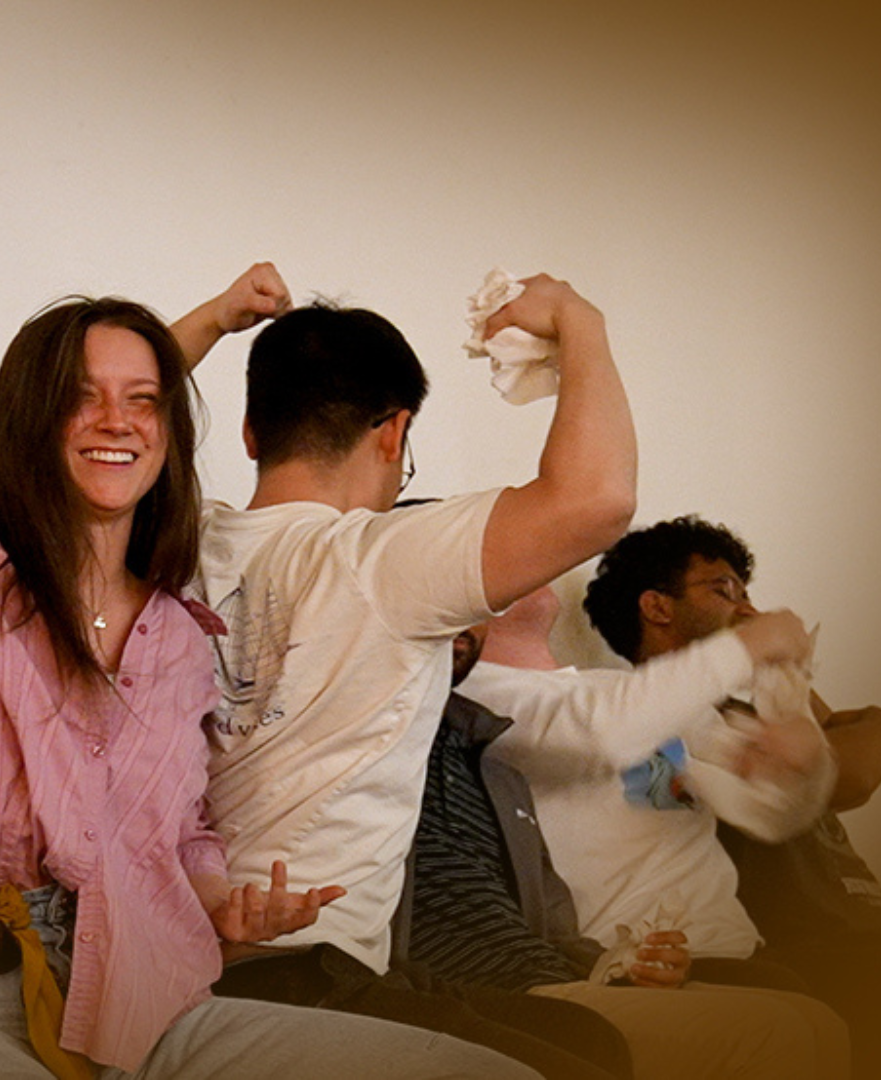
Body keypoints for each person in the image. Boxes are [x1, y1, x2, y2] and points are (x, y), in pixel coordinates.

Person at [0, 290, 543, 1079]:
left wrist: (221, 901)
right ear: (28, 416)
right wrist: (217, 316)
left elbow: (182, 830)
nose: (116, 420)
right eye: (79, 399)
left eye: (144, 401)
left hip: (144, 1005)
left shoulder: (179, 634)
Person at [184, 264, 638, 1078]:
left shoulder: (177, 542)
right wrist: (578, 318)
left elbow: (64, 437)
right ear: (392, 433)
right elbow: (597, 499)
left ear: (251, 433)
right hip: (297, 969)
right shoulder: (379, 557)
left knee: (590, 1043)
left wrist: (214, 321)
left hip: (227, 959)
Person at [402, 595, 853, 1080]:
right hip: (643, 954)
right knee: (788, 1023)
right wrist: (746, 647)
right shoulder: (480, 698)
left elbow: (774, 812)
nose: (544, 570)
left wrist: (796, 737)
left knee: (823, 1023)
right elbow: (600, 732)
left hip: (703, 948)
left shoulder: (628, 689)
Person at [583, 515, 881, 1078]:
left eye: (748, 594)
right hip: (788, 950)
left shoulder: (741, 717)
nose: (748, 609)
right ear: (657, 607)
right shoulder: (620, 717)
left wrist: (783, 680)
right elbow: (853, 777)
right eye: (723, 591)